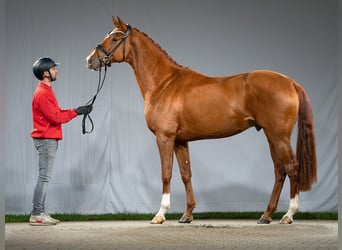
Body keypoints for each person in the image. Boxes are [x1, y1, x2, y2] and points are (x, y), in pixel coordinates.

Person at [29, 57, 92, 226]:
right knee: (44, 177)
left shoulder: (46, 91)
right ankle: (37, 214)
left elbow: (56, 112)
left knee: (44, 177)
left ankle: (39, 212)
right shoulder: (42, 93)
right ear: (46, 73)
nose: (57, 71)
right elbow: (55, 117)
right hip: (46, 139)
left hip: (48, 138)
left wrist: (76, 110)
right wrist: (77, 112)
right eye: (54, 68)